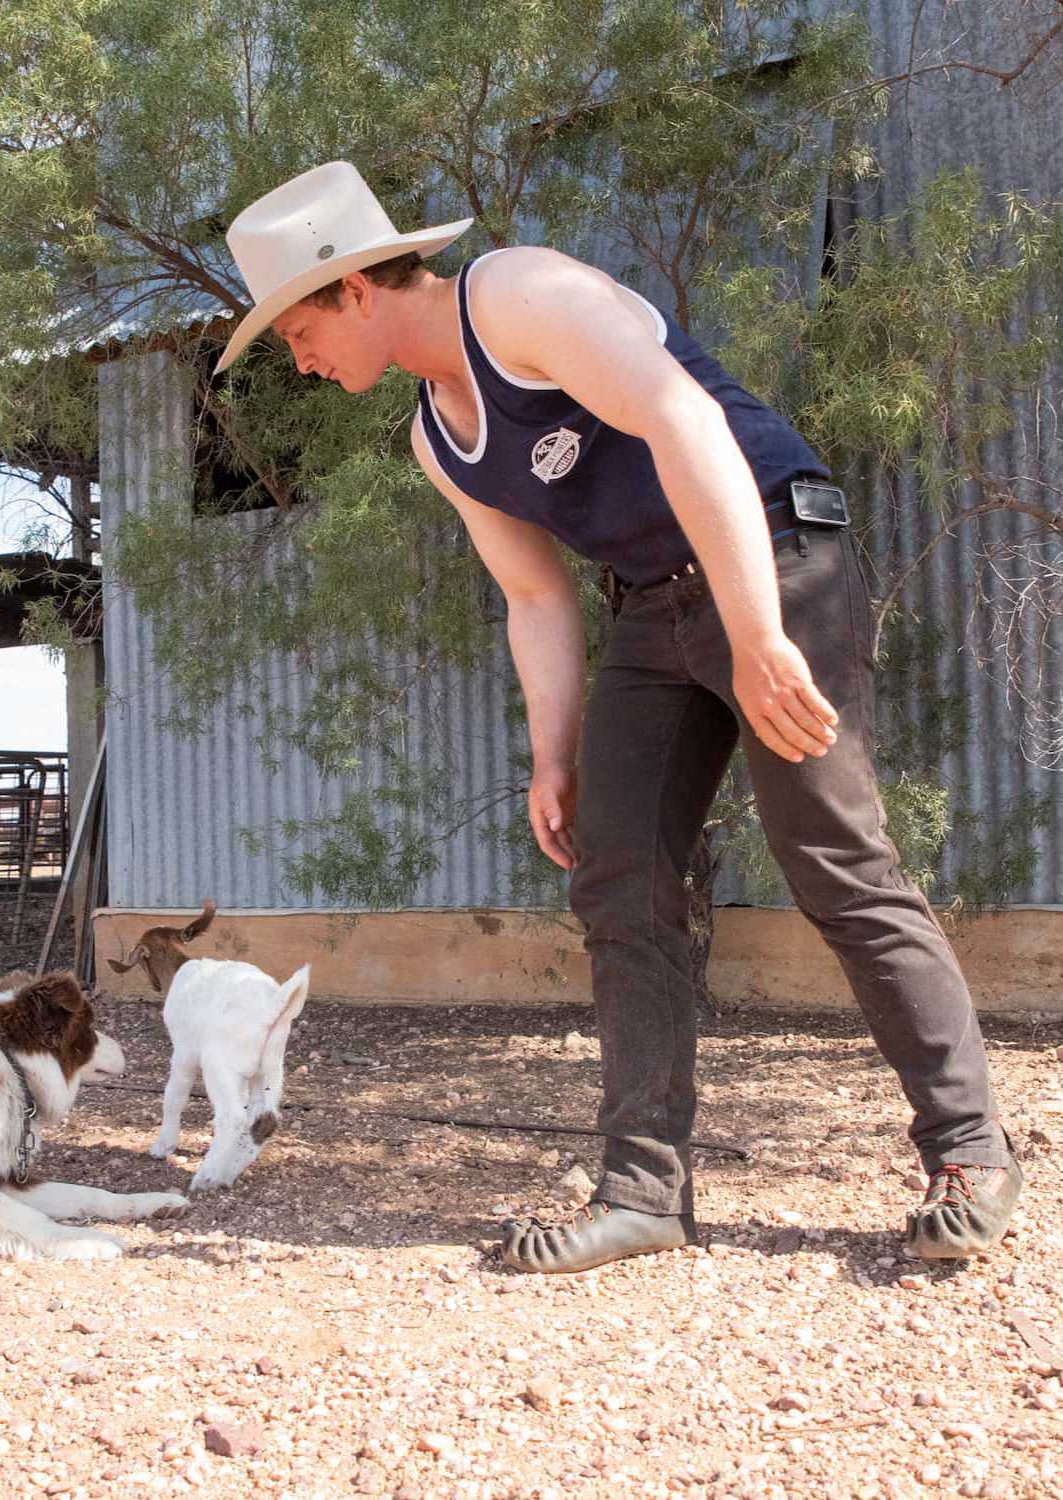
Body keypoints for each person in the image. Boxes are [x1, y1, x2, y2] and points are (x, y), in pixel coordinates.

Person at [213, 160, 1022, 1273]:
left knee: (831, 854)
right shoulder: (434, 438)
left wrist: (757, 631)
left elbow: (683, 417)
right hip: (652, 605)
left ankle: (969, 1148)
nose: (297, 360)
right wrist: (554, 755)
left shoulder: (518, 296)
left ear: (355, 289)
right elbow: (538, 594)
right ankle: (645, 1193)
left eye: (297, 331)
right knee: (617, 876)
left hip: (773, 554)